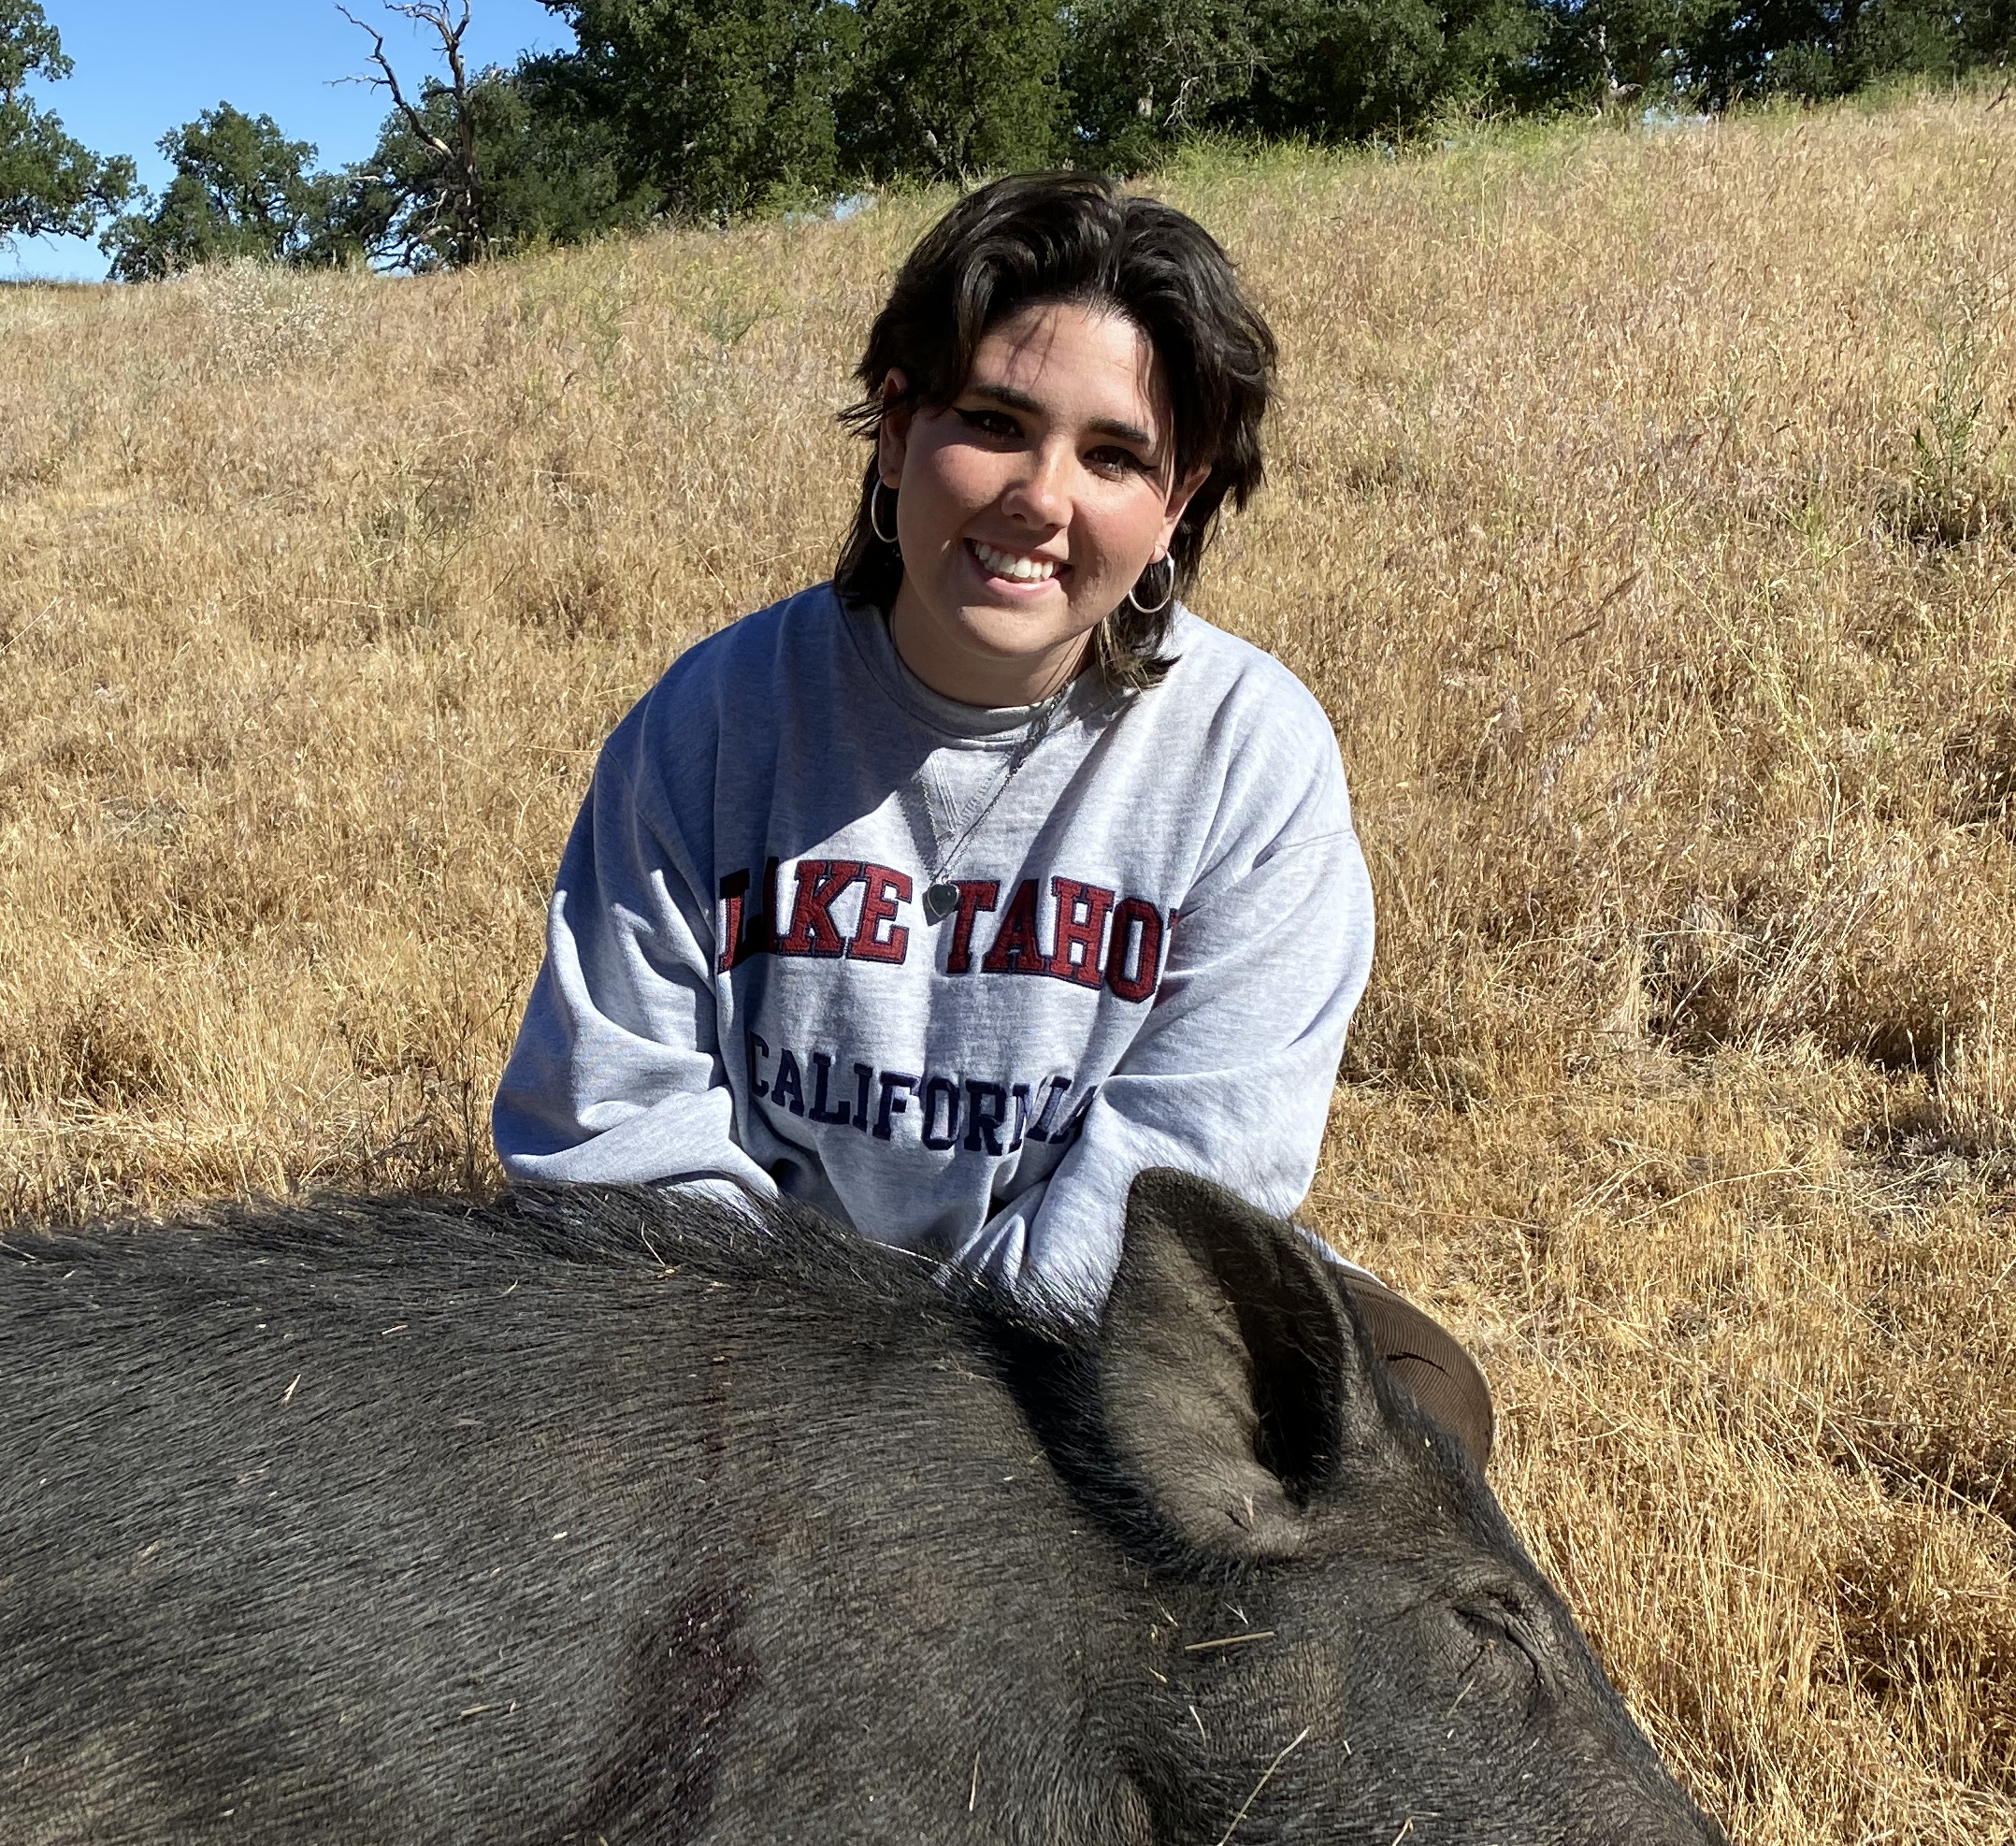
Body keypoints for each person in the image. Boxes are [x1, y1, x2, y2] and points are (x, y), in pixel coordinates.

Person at [489, 169, 1490, 1464]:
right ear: (897, 429)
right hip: (753, 1340)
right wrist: (796, 1375)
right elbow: (611, 1118)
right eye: (997, 423)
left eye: (1115, 455)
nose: (1042, 497)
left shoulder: (1249, 755)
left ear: (1176, 503)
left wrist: (957, 1417)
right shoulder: (716, 721)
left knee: (1420, 1411)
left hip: (1082, 1347)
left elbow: (1197, 1162)